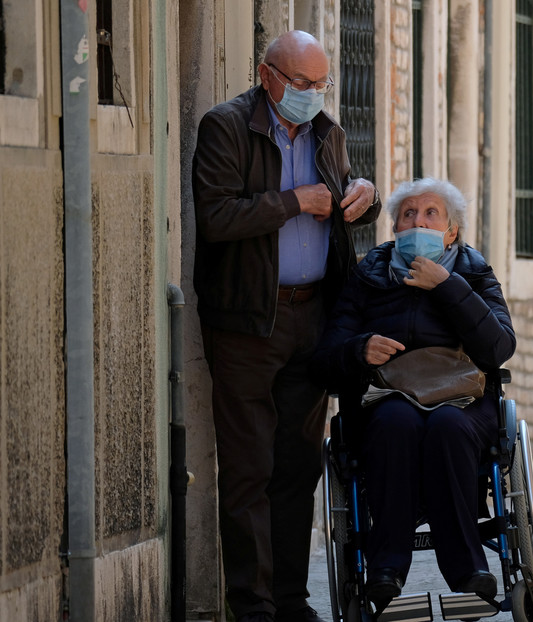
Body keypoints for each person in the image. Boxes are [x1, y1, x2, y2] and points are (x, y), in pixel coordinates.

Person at [191, 30, 381, 622]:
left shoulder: (329, 133)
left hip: (313, 317)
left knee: (298, 470)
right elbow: (217, 217)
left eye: (321, 84)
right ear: (265, 74)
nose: (312, 95)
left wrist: (366, 198)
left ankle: (292, 602)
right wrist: (295, 202)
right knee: (249, 471)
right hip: (249, 320)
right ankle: (251, 608)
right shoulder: (226, 128)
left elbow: (342, 203)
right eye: (300, 83)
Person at [314, 177, 516, 607]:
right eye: (408, 214)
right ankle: (386, 568)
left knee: (447, 425)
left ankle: (469, 570)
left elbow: (499, 347)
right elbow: (327, 357)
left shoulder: (473, 271)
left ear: (451, 232)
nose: (418, 221)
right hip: (386, 397)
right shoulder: (367, 275)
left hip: (461, 399)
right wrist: (360, 349)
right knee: (395, 421)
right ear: (395, 229)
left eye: (431, 214)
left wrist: (447, 286)